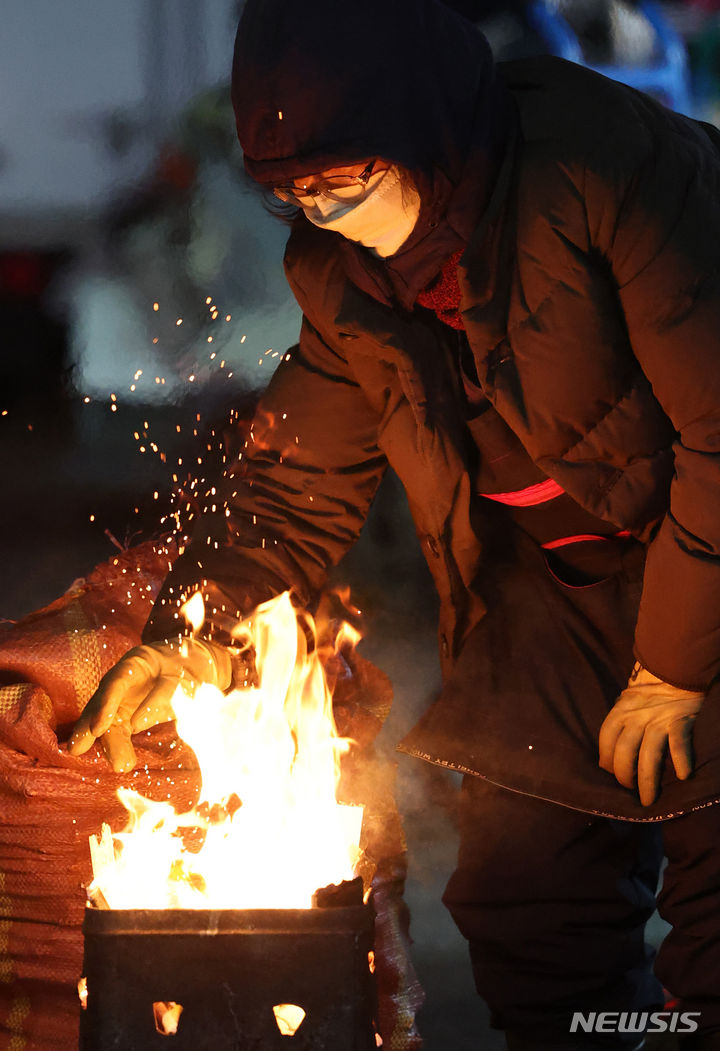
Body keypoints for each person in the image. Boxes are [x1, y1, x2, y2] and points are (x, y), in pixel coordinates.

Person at [69, 0, 720, 1046]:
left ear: (425, 127)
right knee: (530, 911)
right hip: (545, 591)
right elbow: (296, 482)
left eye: (340, 179)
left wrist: (676, 669)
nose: (318, 211)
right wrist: (188, 636)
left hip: (703, 563)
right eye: (291, 193)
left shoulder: (610, 172)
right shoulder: (344, 275)